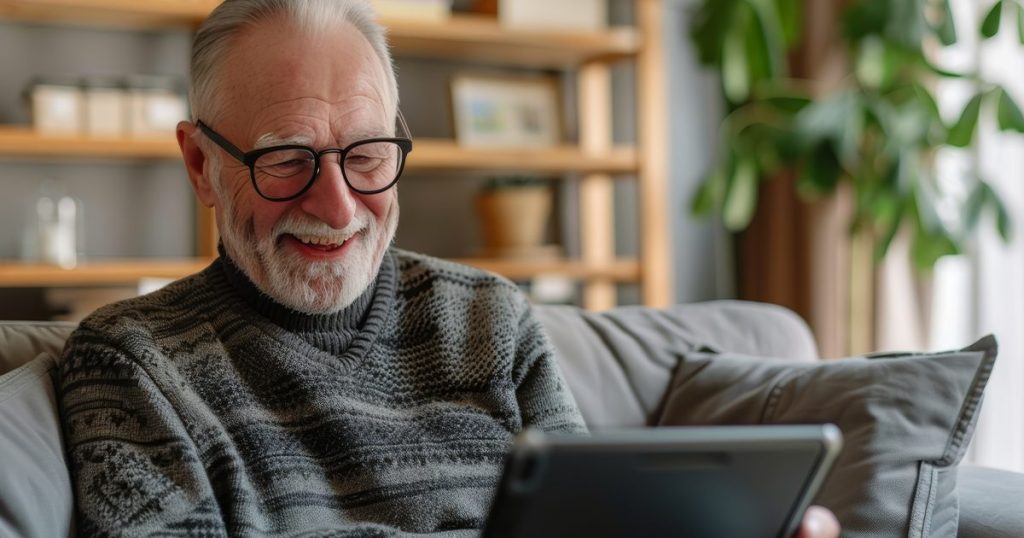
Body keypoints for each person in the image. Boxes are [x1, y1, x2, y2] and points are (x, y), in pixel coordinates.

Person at [56, 1, 840, 536]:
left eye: (366, 156)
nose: (338, 207)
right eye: (287, 160)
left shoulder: (490, 321)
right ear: (200, 163)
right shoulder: (128, 364)